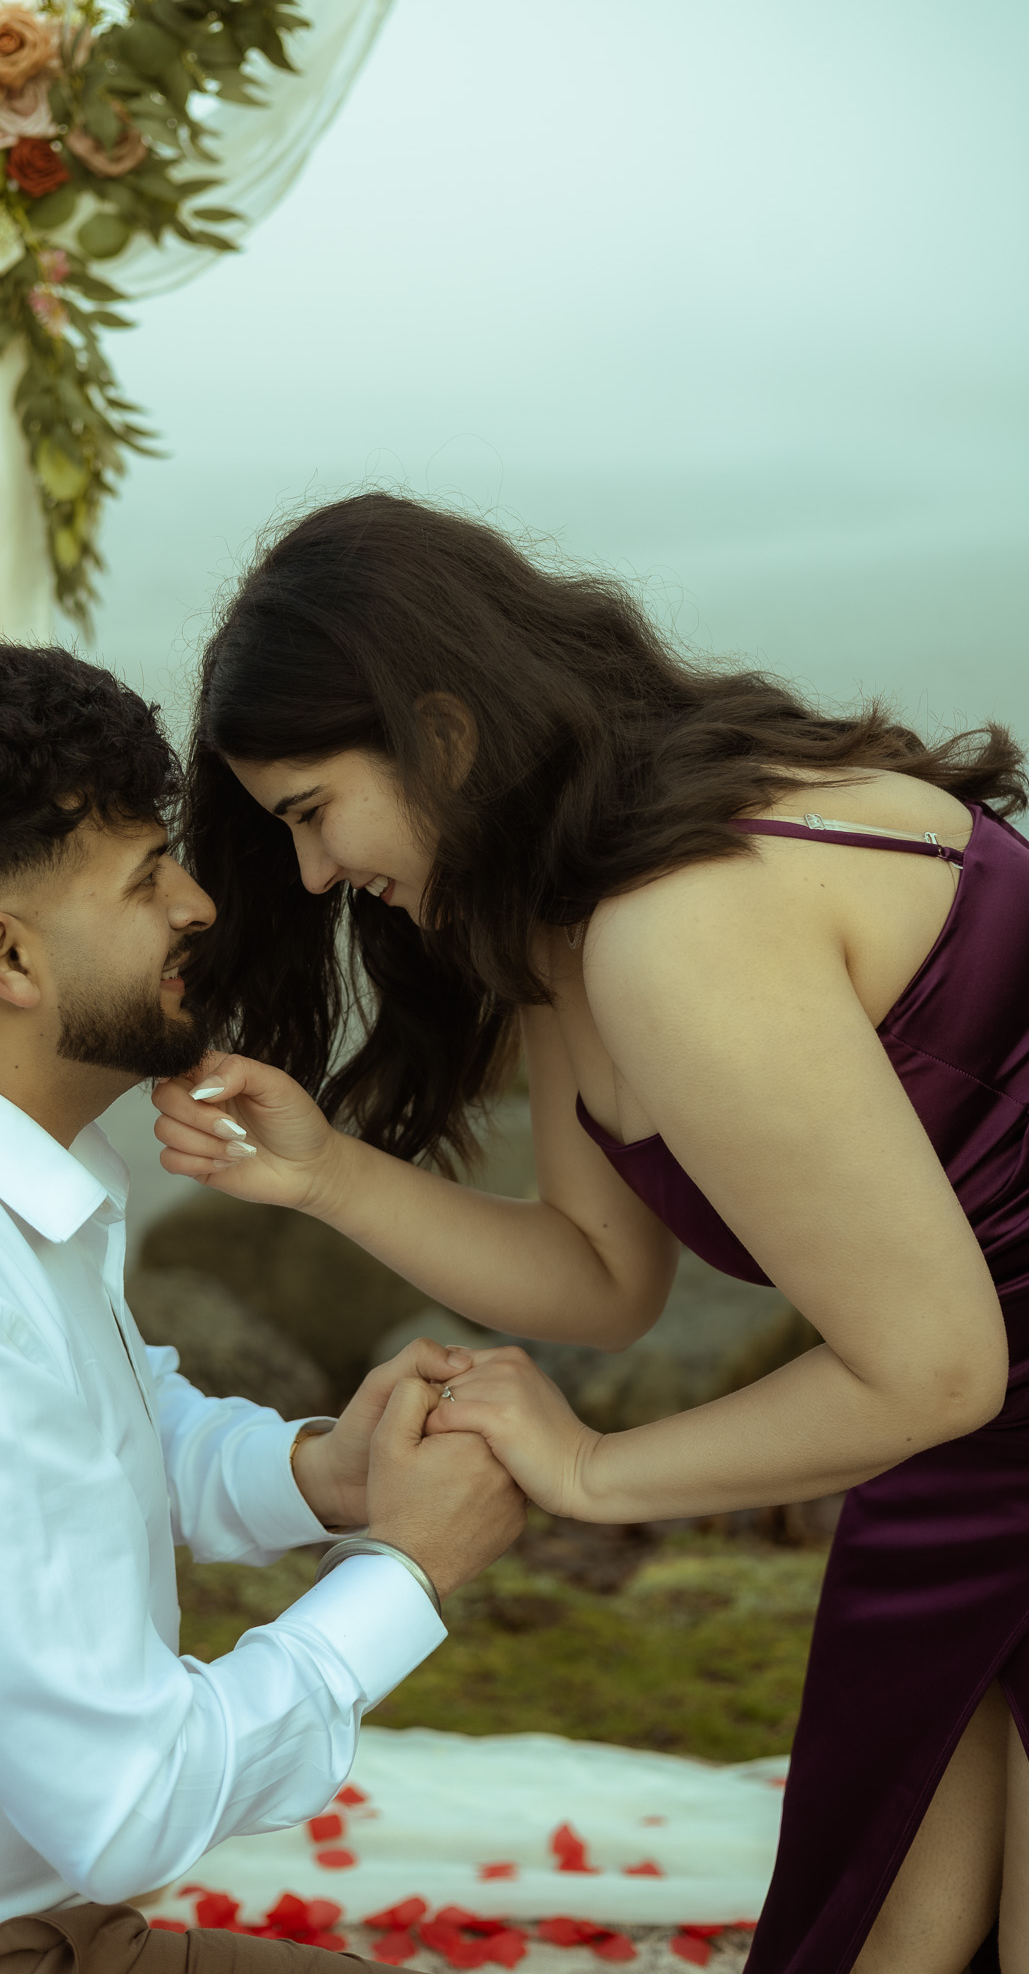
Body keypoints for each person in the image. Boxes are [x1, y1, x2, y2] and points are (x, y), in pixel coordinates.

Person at [155, 491, 1029, 1974]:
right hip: (967, 1449)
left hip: (960, 1417)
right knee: (882, 1925)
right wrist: (324, 1178)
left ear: (441, 735)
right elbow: (605, 1276)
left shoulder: (678, 927)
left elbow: (934, 1367)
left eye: (310, 811)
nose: (310, 875)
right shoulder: (581, 914)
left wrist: (593, 1473)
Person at [0, 642, 526, 1974]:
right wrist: (407, 1569)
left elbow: (94, 1430)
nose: (197, 902)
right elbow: (131, 1808)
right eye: (144, 876)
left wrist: (321, 1476)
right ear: (8, 955)